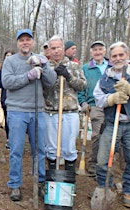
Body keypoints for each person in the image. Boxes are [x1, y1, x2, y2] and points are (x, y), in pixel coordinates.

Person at [93, 41, 130, 208]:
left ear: (127, 55)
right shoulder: (105, 77)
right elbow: (98, 98)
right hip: (112, 123)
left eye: (121, 55)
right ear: (110, 58)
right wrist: (111, 99)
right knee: (102, 160)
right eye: (114, 56)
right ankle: (104, 186)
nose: (118, 58)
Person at [2, 29, 57, 201]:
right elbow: (7, 82)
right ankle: (15, 184)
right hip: (16, 111)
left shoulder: (40, 60)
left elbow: (51, 82)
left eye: (28, 40)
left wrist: (44, 65)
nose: (25, 43)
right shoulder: (10, 61)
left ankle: (39, 182)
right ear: (17, 43)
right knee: (16, 150)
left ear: (32, 42)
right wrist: (29, 75)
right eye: (21, 40)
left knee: (40, 150)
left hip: (37, 111)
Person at [43, 35, 86, 172]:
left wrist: (68, 76)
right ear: (49, 50)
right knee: (51, 149)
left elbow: (82, 85)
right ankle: (52, 180)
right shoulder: (45, 67)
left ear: (63, 48)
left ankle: (68, 182)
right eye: (53, 48)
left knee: (69, 148)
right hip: (51, 112)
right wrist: (52, 76)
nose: (56, 51)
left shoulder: (74, 66)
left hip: (70, 112)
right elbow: (42, 88)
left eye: (59, 48)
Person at [78, 41, 112, 176]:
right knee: (98, 134)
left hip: (112, 104)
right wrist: (83, 102)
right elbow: (81, 88)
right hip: (95, 105)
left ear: (105, 51)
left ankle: (106, 162)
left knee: (111, 134)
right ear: (91, 53)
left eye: (100, 49)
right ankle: (94, 163)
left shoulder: (112, 65)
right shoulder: (86, 68)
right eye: (95, 50)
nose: (98, 52)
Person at [0, 49, 16, 149]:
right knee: (7, 120)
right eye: (7, 56)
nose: (8, 58)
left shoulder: (17, 69)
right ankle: (9, 139)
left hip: (15, 99)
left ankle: (15, 139)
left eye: (10, 55)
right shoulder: (1, 70)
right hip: (5, 98)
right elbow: (0, 84)